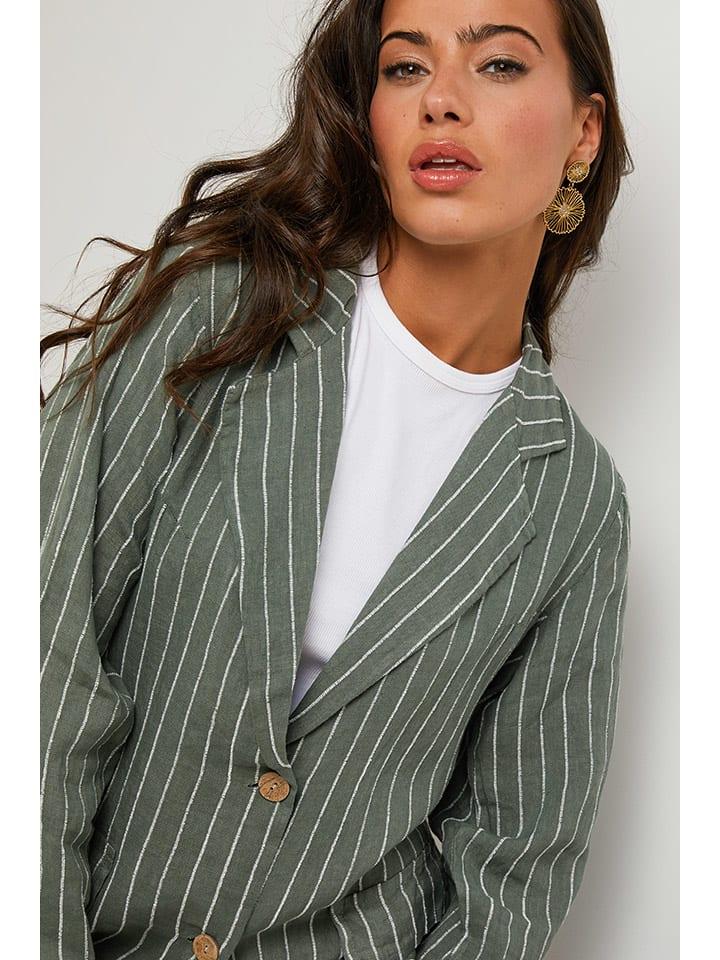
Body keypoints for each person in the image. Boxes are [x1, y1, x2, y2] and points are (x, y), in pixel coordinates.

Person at [40, 1, 634, 958]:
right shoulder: (220, 316)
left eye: (498, 65)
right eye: (406, 68)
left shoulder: (574, 501)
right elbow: (43, 663)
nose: (441, 100)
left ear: (584, 133)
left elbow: (517, 869)